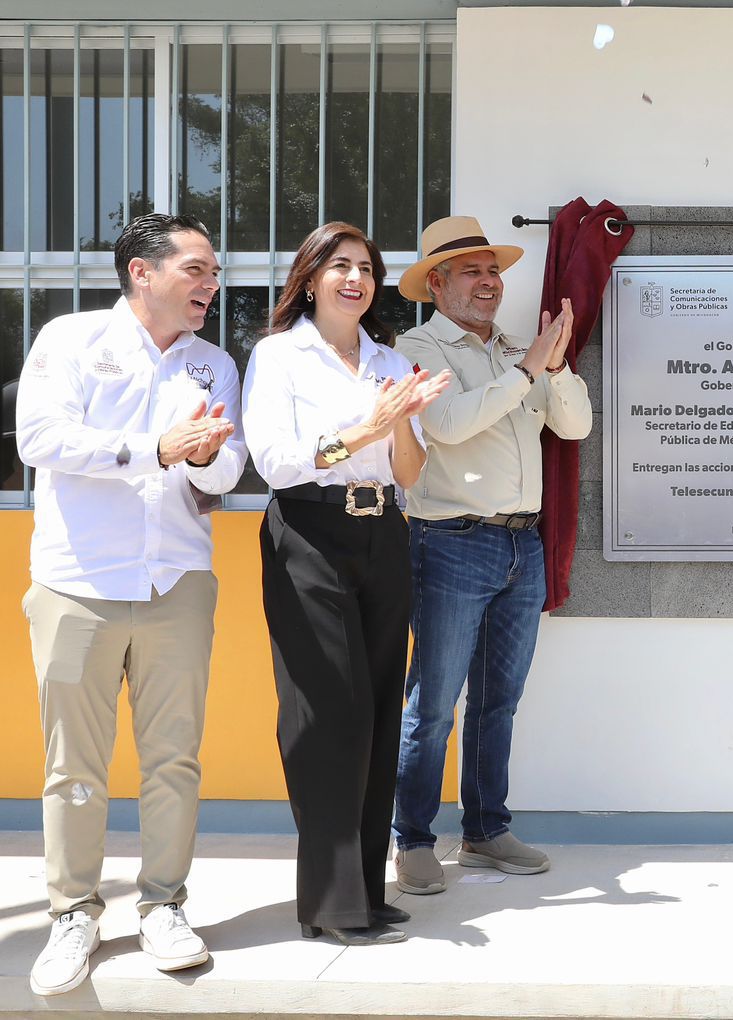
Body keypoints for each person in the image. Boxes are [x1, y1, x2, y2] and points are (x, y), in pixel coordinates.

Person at [16, 213, 244, 995]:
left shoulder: (213, 364)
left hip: (175, 580)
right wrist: (156, 448)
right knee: (72, 764)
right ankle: (73, 914)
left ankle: (162, 905)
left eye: (214, 273)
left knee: (173, 758)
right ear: (141, 273)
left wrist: (209, 458)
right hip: (78, 581)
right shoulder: (71, 341)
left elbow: (226, 467)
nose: (211, 285)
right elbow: (40, 439)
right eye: (197, 270)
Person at [241, 222, 450, 945]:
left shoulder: (389, 359)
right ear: (310, 277)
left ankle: (365, 889)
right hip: (308, 533)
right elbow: (274, 462)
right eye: (341, 266)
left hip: (384, 532)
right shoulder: (279, 356)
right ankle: (330, 904)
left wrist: (400, 423)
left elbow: (412, 473)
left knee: (377, 713)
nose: (356, 278)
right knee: (328, 715)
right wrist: (366, 431)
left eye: (366, 267)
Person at [387, 216, 590, 894]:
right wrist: (527, 369)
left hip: (520, 544)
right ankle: (412, 838)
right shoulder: (416, 345)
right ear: (436, 284)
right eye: (471, 271)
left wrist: (551, 367)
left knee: (499, 701)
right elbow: (443, 425)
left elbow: (575, 424)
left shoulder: (513, 349)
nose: (488, 282)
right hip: (449, 543)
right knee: (435, 703)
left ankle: (484, 831)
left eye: (492, 270)